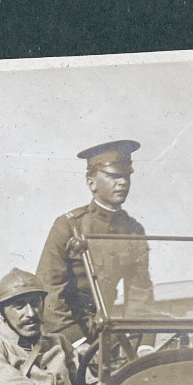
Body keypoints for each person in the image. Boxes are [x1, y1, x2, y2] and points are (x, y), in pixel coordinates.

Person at [36, 139, 154, 348]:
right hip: (65, 336)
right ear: (91, 182)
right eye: (114, 176)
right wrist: (77, 343)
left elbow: (139, 296)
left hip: (107, 330)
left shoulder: (134, 231)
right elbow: (50, 291)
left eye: (126, 176)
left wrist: (142, 346)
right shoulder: (68, 225)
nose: (123, 183)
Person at [0, 268, 74, 385]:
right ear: (0, 314)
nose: (31, 313)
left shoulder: (58, 342)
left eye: (35, 303)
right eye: (19, 306)